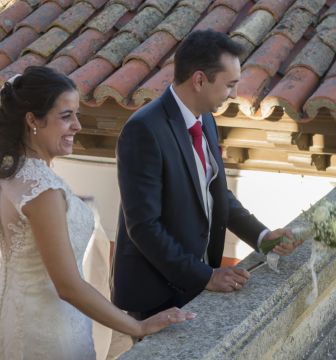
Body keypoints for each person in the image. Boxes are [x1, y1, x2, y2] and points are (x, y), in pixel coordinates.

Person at [0, 66, 195, 360]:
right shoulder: (42, 191)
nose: (78, 125)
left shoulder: (10, 175)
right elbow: (67, 285)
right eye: (66, 116)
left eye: (76, 114)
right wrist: (137, 325)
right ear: (33, 120)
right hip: (51, 336)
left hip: (18, 324)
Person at [112, 30, 303, 321]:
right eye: (230, 85)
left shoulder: (207, 119)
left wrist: (262, 237)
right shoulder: (143, 130)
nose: (235, 95)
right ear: (199, 80)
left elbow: (215, 192)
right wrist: (206, 277)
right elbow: (143, 226)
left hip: (193, 283)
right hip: (155, 292)